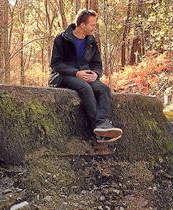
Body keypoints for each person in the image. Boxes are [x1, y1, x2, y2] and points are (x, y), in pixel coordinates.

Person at [49, 8, 123, 141]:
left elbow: (97, 63)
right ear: (82, 25)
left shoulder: (91, 41)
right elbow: (55, 64)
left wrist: (95, 74)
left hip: (86, 74)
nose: (94, 27)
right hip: (63, 76)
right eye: (92, 25)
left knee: (103, 89)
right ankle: (98, 128)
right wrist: (76, 73)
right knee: (85, 88)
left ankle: (103, 123)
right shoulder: (62, 38)